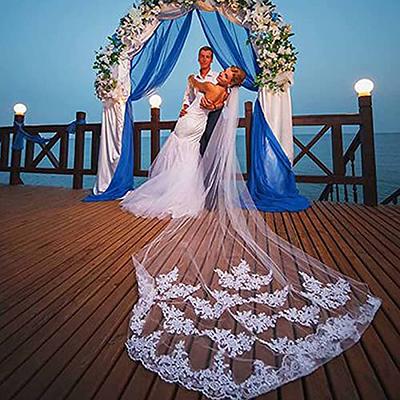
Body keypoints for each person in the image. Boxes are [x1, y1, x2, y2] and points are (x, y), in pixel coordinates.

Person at [120, 66, 246, 219]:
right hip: (199, 126)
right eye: (223, 72)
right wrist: (213, 105)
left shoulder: (209, 86)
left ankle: (170, 192)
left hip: (189, 121)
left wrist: (191, 76)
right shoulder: (225, 95)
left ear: (230, 83)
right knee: (189, 158)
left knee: (176, 155)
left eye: (225, 76)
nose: (221, 74)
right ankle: (185, 194)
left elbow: (193, 82)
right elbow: (217, 106)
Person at [180, 46, 226, 156]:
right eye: (202, 56)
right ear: (198, 58)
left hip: (212, 116)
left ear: (211, 60)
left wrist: (214, 107)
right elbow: (188, 97)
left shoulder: (217, 78)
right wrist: (185, 107)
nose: (204, 59)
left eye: (207, 57)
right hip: (195, 116)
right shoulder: (194, 78)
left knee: (207, 143)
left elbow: (224, 98)